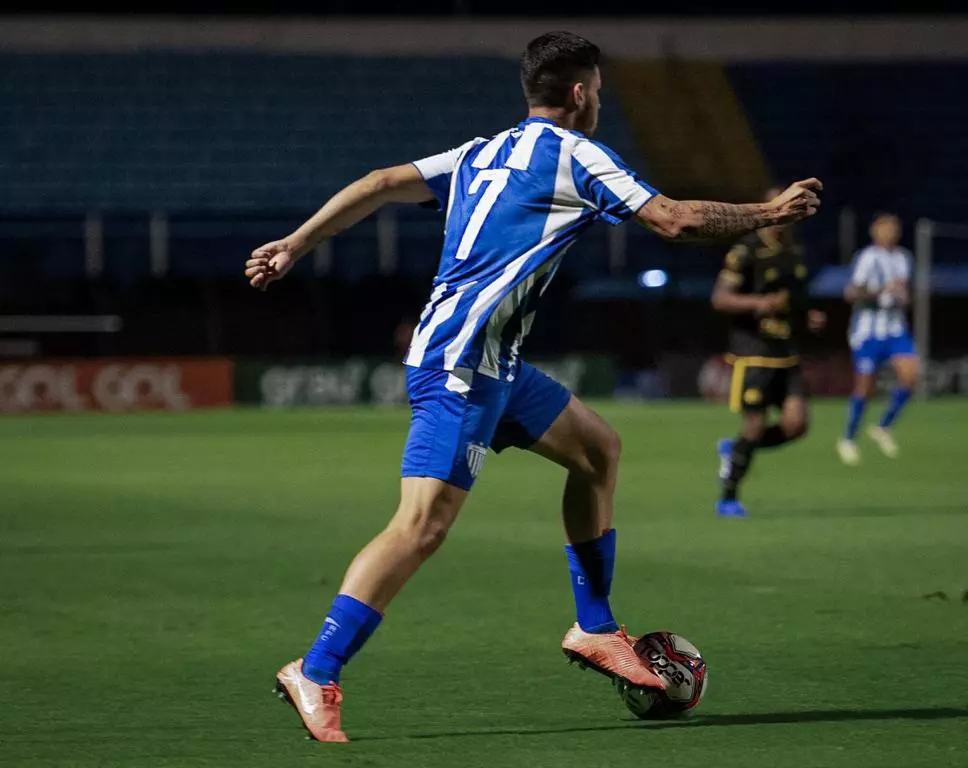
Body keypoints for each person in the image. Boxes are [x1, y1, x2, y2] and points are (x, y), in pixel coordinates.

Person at [244, 31, 822, 742]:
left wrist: (294, 244)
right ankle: (318, 667)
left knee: (598, 451)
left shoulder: (480, 152)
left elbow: (375, 185)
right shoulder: (577, 154)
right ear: (580, 92)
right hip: (462, 361)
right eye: (600, 90)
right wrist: (770, 213)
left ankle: (595, 627)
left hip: (496, 364)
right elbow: (674, 219)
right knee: (421, 526)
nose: (601, 101)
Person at [711, 190, 826, 517]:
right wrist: (760, 304)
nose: (790, 213)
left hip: (785, 353)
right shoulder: (746, 251)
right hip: (753, 354)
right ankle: (728, 497)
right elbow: (720, 299)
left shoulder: (794, 250)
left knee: (797, 425)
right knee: (753, 425)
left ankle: (735, 451)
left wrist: (808, 316)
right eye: (784, 206)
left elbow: (795, 299)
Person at [837, 213, 917, 466]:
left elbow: (905, 292)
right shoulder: (867, 257)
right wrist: (882, 291)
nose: (890, 233)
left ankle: (883, 426)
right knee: (864, 387)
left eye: (894, 228)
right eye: (886, 229)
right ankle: (848, 438)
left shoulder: (904, 258)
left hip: (895, 328)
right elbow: (852, 292)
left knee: (911, 375)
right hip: (867, 331)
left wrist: (903, 297)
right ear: (875, 232)